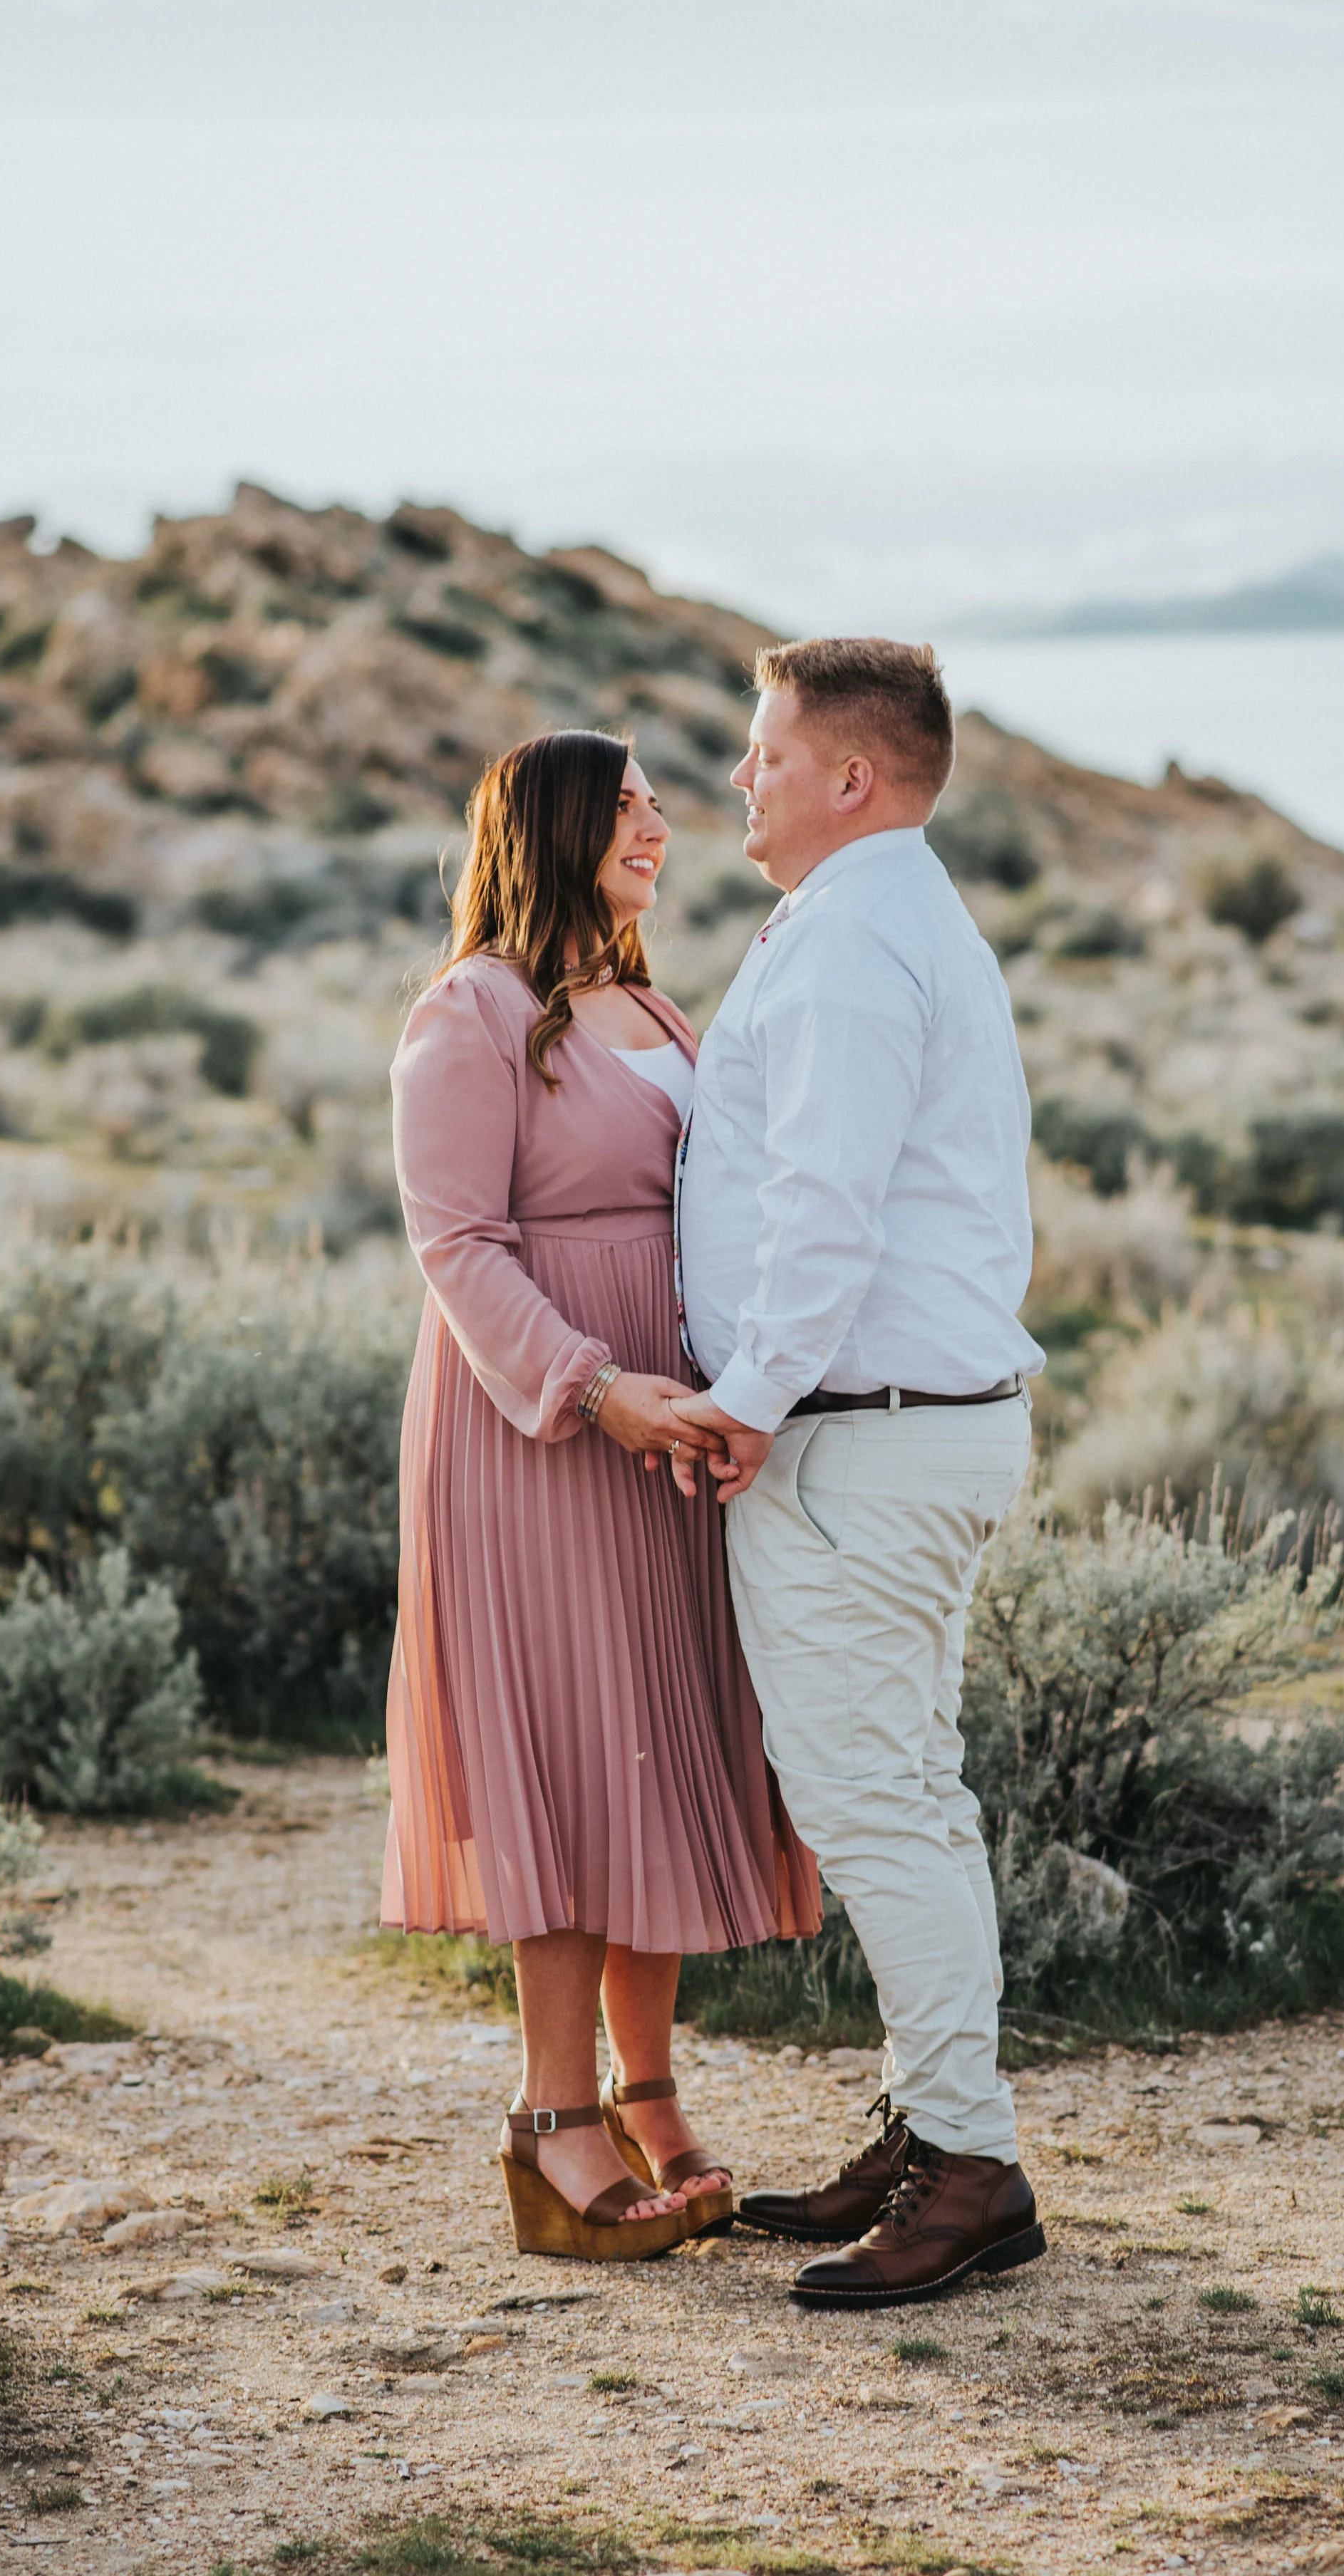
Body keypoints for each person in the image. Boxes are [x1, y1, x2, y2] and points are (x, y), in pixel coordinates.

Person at [381, 728, 820, 2263]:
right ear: (555, 827)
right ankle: (548, 2117)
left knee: (654, 1743)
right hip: (538, 1433)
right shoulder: (472, 1010)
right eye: (627, 804)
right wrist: (594, 1385)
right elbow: (456, 1246)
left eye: (654, 803)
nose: (659, 823)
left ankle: (646, 2088)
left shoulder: (644, 1001)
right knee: (570, 1760)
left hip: (662, 1425)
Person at [669, 638, 1045, 2307]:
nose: (738, 780)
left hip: (858, 1433)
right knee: (907, 1787)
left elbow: (823, 1205)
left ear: (848, 777)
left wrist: (746, 1396)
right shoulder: (897, 916)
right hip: (904, 1423)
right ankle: (925, 2123)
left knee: (874, 1800)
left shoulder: (845, 949)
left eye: (763, 753)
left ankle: (969, 2166)